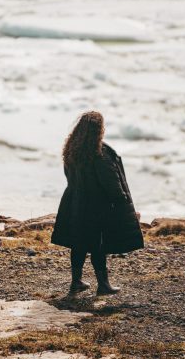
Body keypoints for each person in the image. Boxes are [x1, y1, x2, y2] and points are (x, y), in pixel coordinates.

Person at [51, 110, 144, 296]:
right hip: (97, 206)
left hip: (74, 203)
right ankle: (103, 285)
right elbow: (111, 183)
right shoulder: (99, 153)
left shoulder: (71, 150)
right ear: (98, 130)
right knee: (98, 246)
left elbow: (68, 176)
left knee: (79, 243)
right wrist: (123, 203)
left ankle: (76, 282)